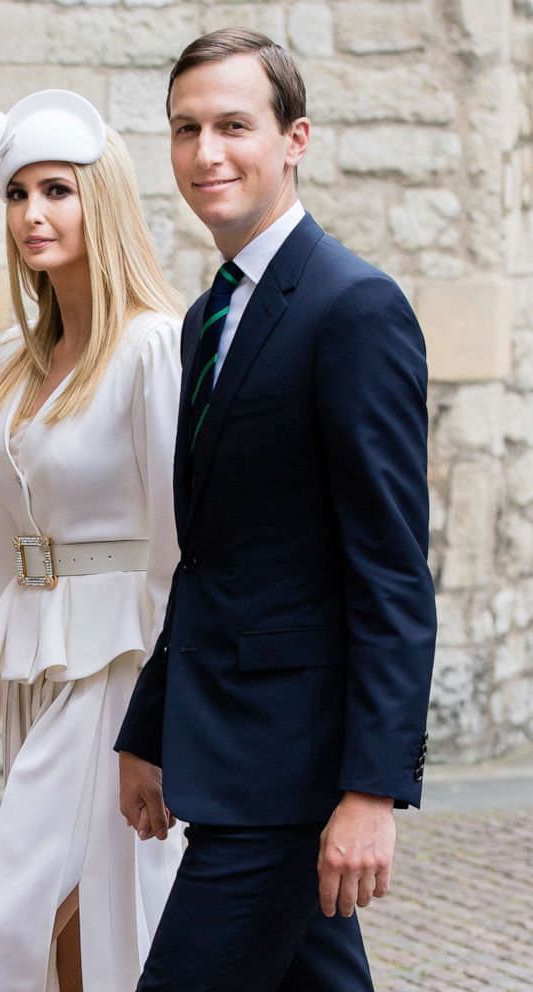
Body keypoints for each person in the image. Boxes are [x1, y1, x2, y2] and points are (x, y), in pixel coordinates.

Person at [115, 28, 437, 991]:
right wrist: (150, 725)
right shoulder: (210, 316)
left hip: (292, 778)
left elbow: (391, 571)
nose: (206, 152)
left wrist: (372, 792)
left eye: (233, 126)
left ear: (295, 139)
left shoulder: (354, 308)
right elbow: (215, 555)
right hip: (228, 746)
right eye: (186, 129)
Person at [0, 89, 183, 992]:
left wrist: (162, 713)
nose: (32, 214)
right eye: (16, 193)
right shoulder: (11, 365)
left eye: (57, 191)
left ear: (100, 200)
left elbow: (176, 549)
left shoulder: (155, 348)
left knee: (12, 927)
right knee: (81, 934)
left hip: (120, 673)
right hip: (37, 674)